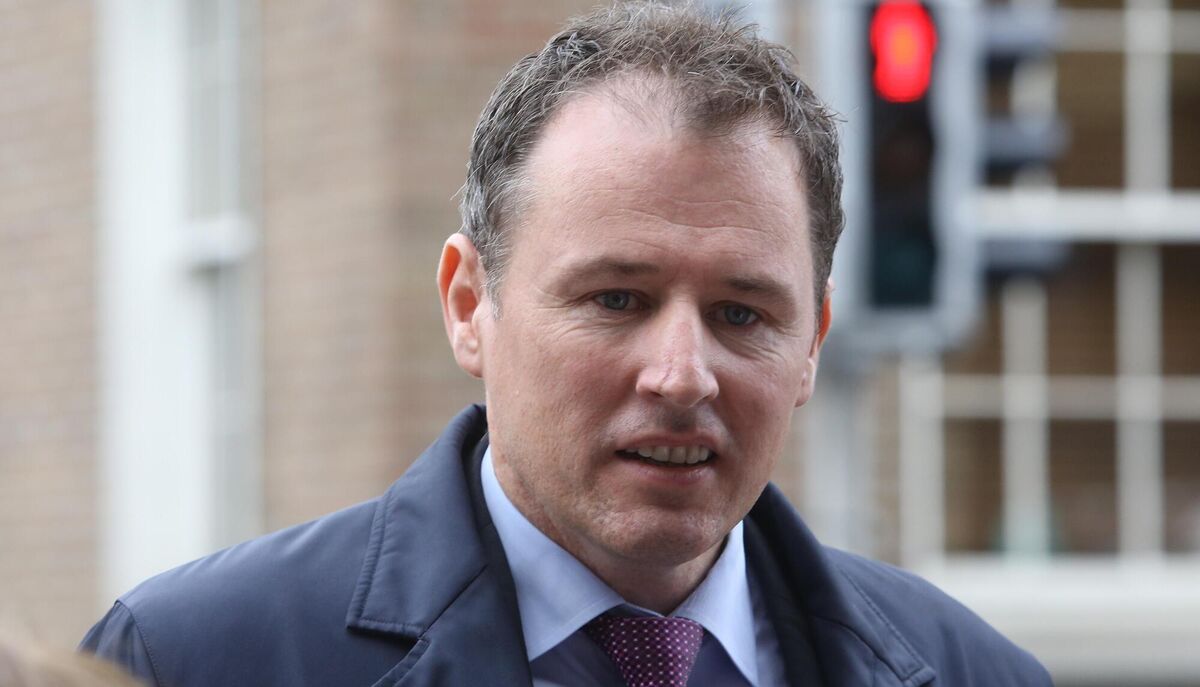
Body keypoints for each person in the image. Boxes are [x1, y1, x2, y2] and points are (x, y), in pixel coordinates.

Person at [82, 3, 1051, 685]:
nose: (682, 376)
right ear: (469, 304)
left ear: (814, 343)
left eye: (741, 314)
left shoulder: (976, 673)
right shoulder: (188, 661)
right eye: (617, 299)